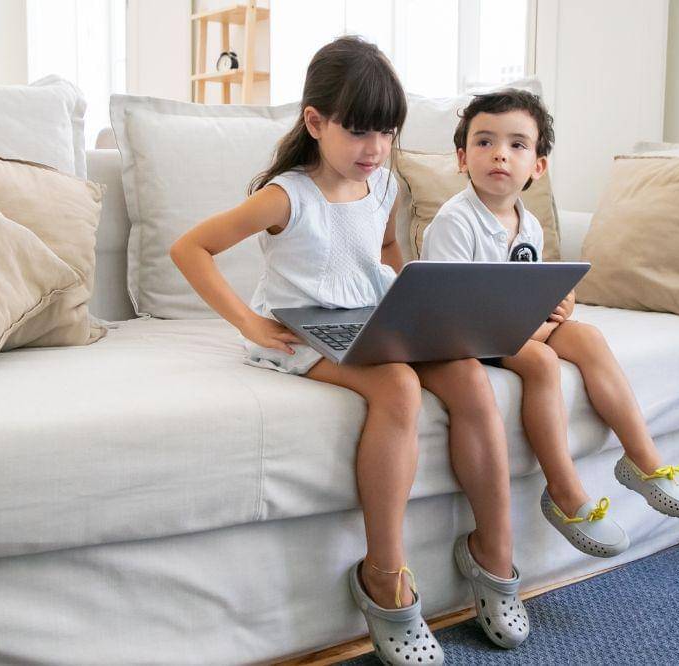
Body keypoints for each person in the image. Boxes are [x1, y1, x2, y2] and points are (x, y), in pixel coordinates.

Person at [172, 36, 531, 662]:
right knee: (396, 385)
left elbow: (385, 252)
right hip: (306, 327)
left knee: (471, 377)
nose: (375, 149)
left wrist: (409, 295)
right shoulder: (287, 195)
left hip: (376, 316)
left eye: (387, 133)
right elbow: (191, 249)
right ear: (315, 122)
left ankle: (493, 555)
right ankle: (384, 577)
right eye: (361, 132)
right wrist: (250, 326)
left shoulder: (384, 182)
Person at [421, 89, 679, 565]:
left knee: (587, 336)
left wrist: (554, 302)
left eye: (517, 144)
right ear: (463, 158)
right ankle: (565, 491)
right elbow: (452, 310)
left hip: (510, 327)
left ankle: (643, 461)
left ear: (538, 166)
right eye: (484, 142)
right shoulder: (455, 221)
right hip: (466, 338)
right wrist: (528, 328)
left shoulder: (526, 223)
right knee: (541, 360)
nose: (500, 154)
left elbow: (523, 284)